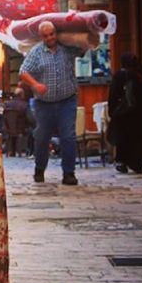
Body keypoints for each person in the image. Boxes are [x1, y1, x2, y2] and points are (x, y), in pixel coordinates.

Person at [19, 21, 87, 185]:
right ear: (41, 37)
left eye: (52, 34)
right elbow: (23, 72)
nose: (50, 38)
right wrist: (35, 84)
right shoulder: (36, 52)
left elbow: (84, 47)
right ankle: (39, 168)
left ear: (56, 33)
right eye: (46, 35)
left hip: (67, 101)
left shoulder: (66, 48)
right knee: (42, 137)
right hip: (44, 104)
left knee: (68, 136)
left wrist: (83, 33)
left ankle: (69, 173)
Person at [108, 52, 142, 174]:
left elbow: (113, 95)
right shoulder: (141, 74)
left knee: (123, 139)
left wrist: (113, 111)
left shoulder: (120, 76)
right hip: (139, 114)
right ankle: (137, 164)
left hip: (124, 115)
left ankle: (122, 162)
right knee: (139, 140)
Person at [2, 87, 36, 157]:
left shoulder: (7, 104)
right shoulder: (25, 105)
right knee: (33, 129)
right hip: (22, 129)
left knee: (14, 130)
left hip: (8, 129)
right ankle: (30, 151)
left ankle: (12, 151)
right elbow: (31, 119)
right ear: (22, 95)